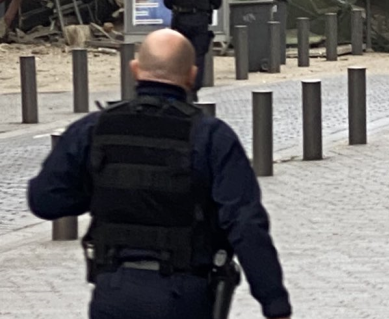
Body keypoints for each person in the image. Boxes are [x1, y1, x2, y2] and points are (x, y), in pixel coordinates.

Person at [27, 29, 291, 319]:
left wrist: (101, 189)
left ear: (135, 69)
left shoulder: (94, 129)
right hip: (184, 296)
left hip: (113, 293)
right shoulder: (211, 137)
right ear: (192, 74)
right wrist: (274, 302)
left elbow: (45, 200)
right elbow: (245, 222)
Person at [164, 0, 222, 97]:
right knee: (198, 56)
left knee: (180, 55)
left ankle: (180, 87)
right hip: (200, 22)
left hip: (180, 22)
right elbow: (217, 2)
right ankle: (194, 88)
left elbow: (168, 2)